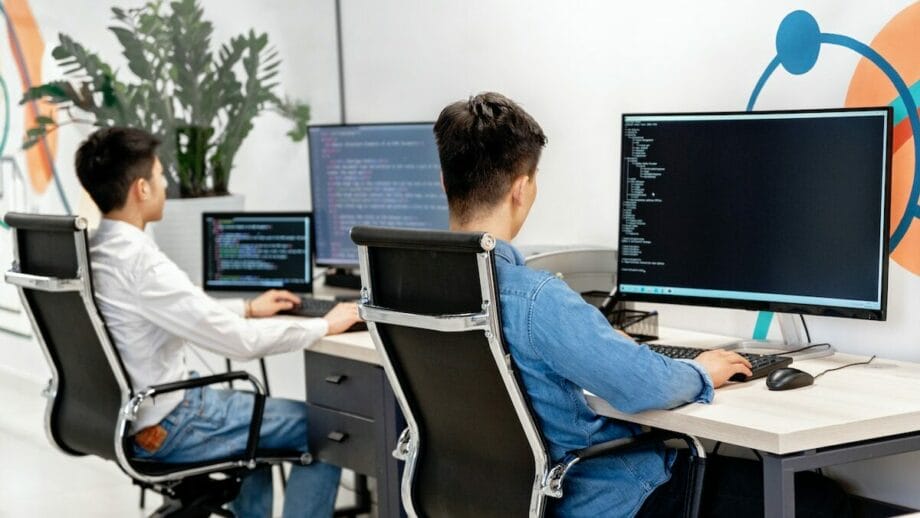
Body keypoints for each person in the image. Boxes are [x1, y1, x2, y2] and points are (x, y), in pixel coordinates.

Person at [432, 92, 852, 517]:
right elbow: (640, 385)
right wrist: (701, 369)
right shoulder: (535, 298)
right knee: (821, 502)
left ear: (444, 182)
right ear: (522, 189)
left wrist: (604, 343)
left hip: (487, 500)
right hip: (601, 498)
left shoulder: (409, 290)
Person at [74, 127, 360, 517]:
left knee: (255, 442)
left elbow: (172, 310)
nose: (163, 185)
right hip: (172, 423)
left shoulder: (97, 252)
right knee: (327, 430)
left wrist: (246, 307)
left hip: (127, 420)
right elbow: (240, 344)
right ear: (141, 189)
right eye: (159, 176)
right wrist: (325, 323)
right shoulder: (142, 263)